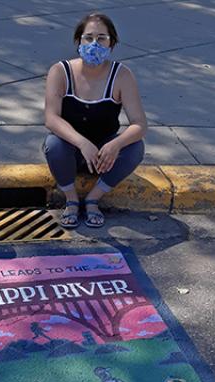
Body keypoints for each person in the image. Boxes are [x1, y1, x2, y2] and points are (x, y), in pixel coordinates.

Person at [43, 13, 147, 228]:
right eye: (88, 37)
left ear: (112, 43)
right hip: (70, 151)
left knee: (136, 147)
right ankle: (71, 200)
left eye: (101, 38)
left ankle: (93, 199)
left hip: (104, 157)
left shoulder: (122, 75)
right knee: (53, 144)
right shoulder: (60, 71)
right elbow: (51, 119)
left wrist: (115, 145)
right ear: (78, 41)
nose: (94, 44)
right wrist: (82, 143)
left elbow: (139, 124)